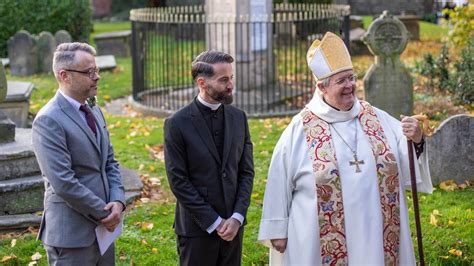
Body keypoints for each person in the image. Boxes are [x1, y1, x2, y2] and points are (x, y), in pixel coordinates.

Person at [258, 32, 433, 265]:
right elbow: (279, 177)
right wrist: (277, 228)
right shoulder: (301, 128)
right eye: (341, 81)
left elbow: (406, 154)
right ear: (322, 86)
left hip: (379, 233)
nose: (350, 86)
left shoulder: (375, 117)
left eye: (352, 78)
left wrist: (417, 137)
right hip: (318, 239)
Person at [32, 42, 125, 265]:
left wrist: (118, 201)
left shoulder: (93, 108)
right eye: (89, 72)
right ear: (65, 76)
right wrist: (105, 214)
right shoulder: (48, 120)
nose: (97, 77)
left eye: (97, 70)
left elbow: (109, 162)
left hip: (105, 231)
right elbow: (63, 182)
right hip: (71, 236)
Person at [164, 50, 254, 266]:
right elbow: (178, 181)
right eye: (223, 80)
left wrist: (237, 217)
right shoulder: (177, 123)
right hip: (197, 229)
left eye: (231, 78)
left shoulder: (239, 118)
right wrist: (213, 222)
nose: (231, 85)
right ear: (202, 83)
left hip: (234, 227)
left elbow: (246, 172)